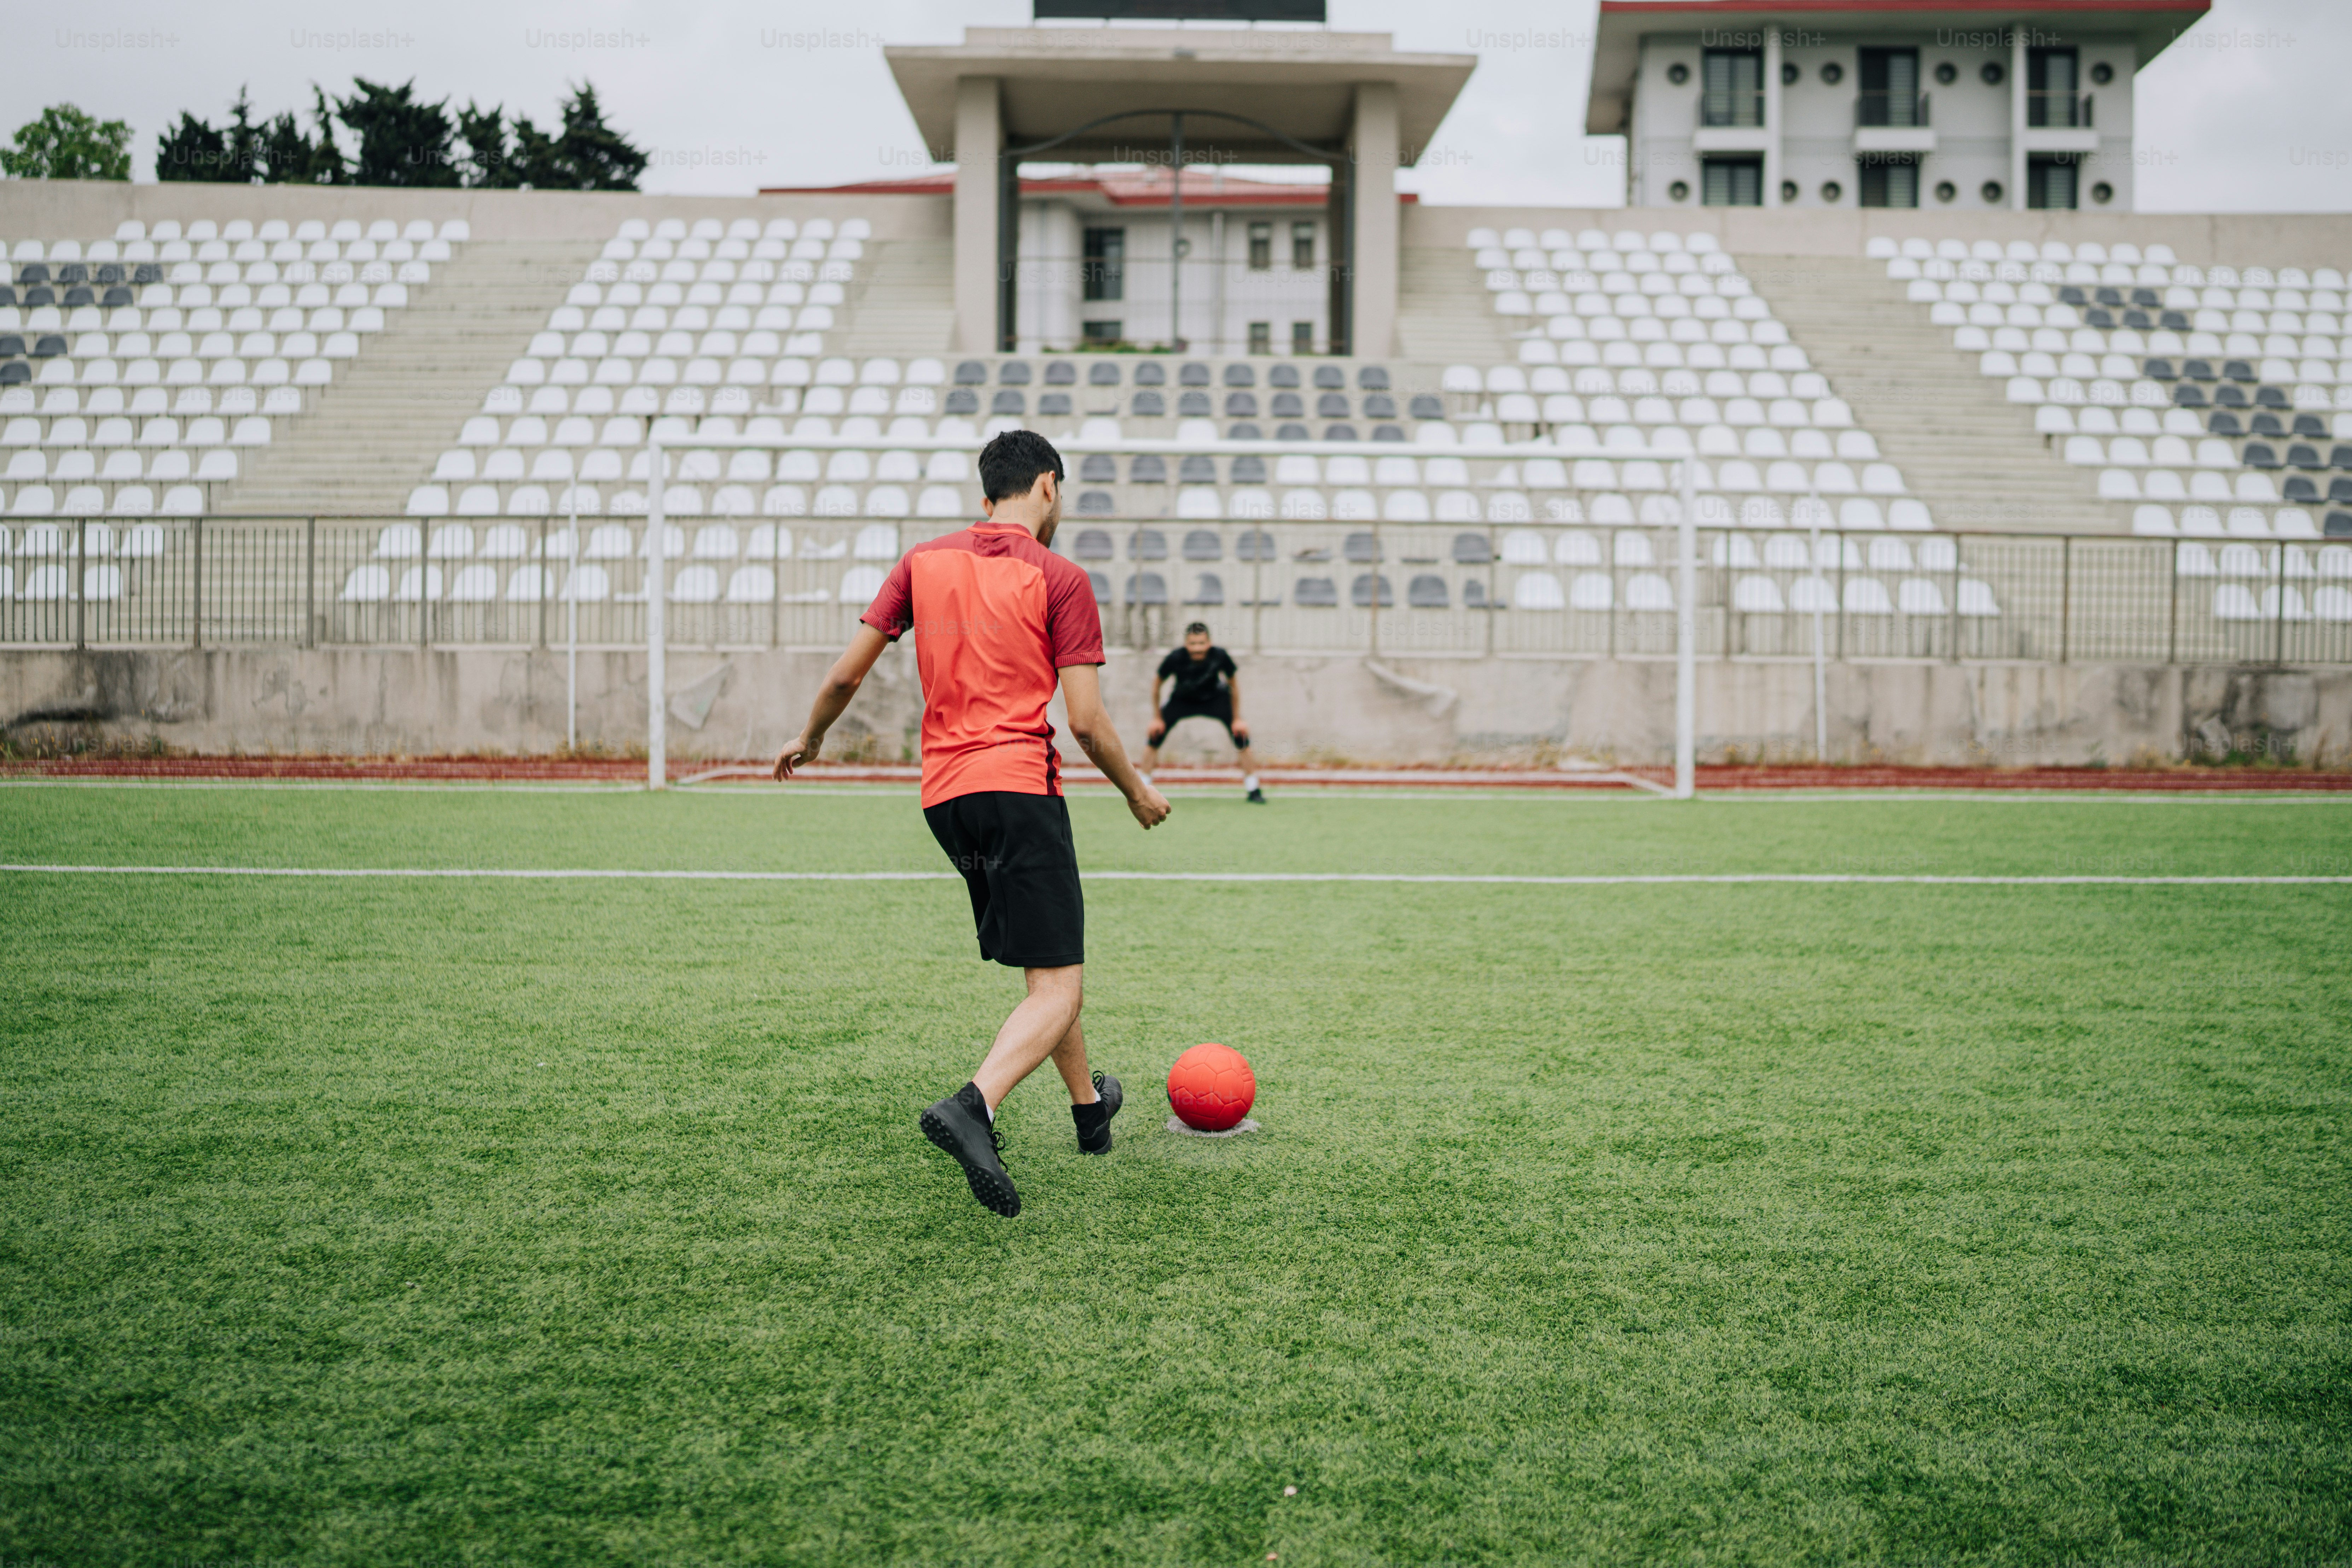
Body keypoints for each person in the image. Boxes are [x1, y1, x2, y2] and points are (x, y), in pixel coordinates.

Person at [772, 429, 1171, 1219]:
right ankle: (974, 1105)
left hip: (946, 801)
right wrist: (1135, 791)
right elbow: (1085, 723)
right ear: (1048, 488)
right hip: (1020, 790)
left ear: (985, 495)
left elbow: (847, 670)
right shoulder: (1059, 577)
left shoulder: (923, 561)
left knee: (1045, 963)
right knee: (1059, 983)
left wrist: (812, 736)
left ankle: (1090, 1110)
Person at [1139, 621, 1265, 803]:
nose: (1197, 648)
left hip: (1215, 699)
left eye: (1201, 644)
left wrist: (1237, 719)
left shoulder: (1220, 656)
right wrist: (1156, 718)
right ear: (1186, 644)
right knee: (1154, 736)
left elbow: (1234, 686)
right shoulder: (1175, 658)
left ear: (1209, 643)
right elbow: (1157, 685)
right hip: (1182, 700)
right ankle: (1143, 789)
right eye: (1193, 644)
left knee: (1242, 736)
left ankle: (1253, 788)